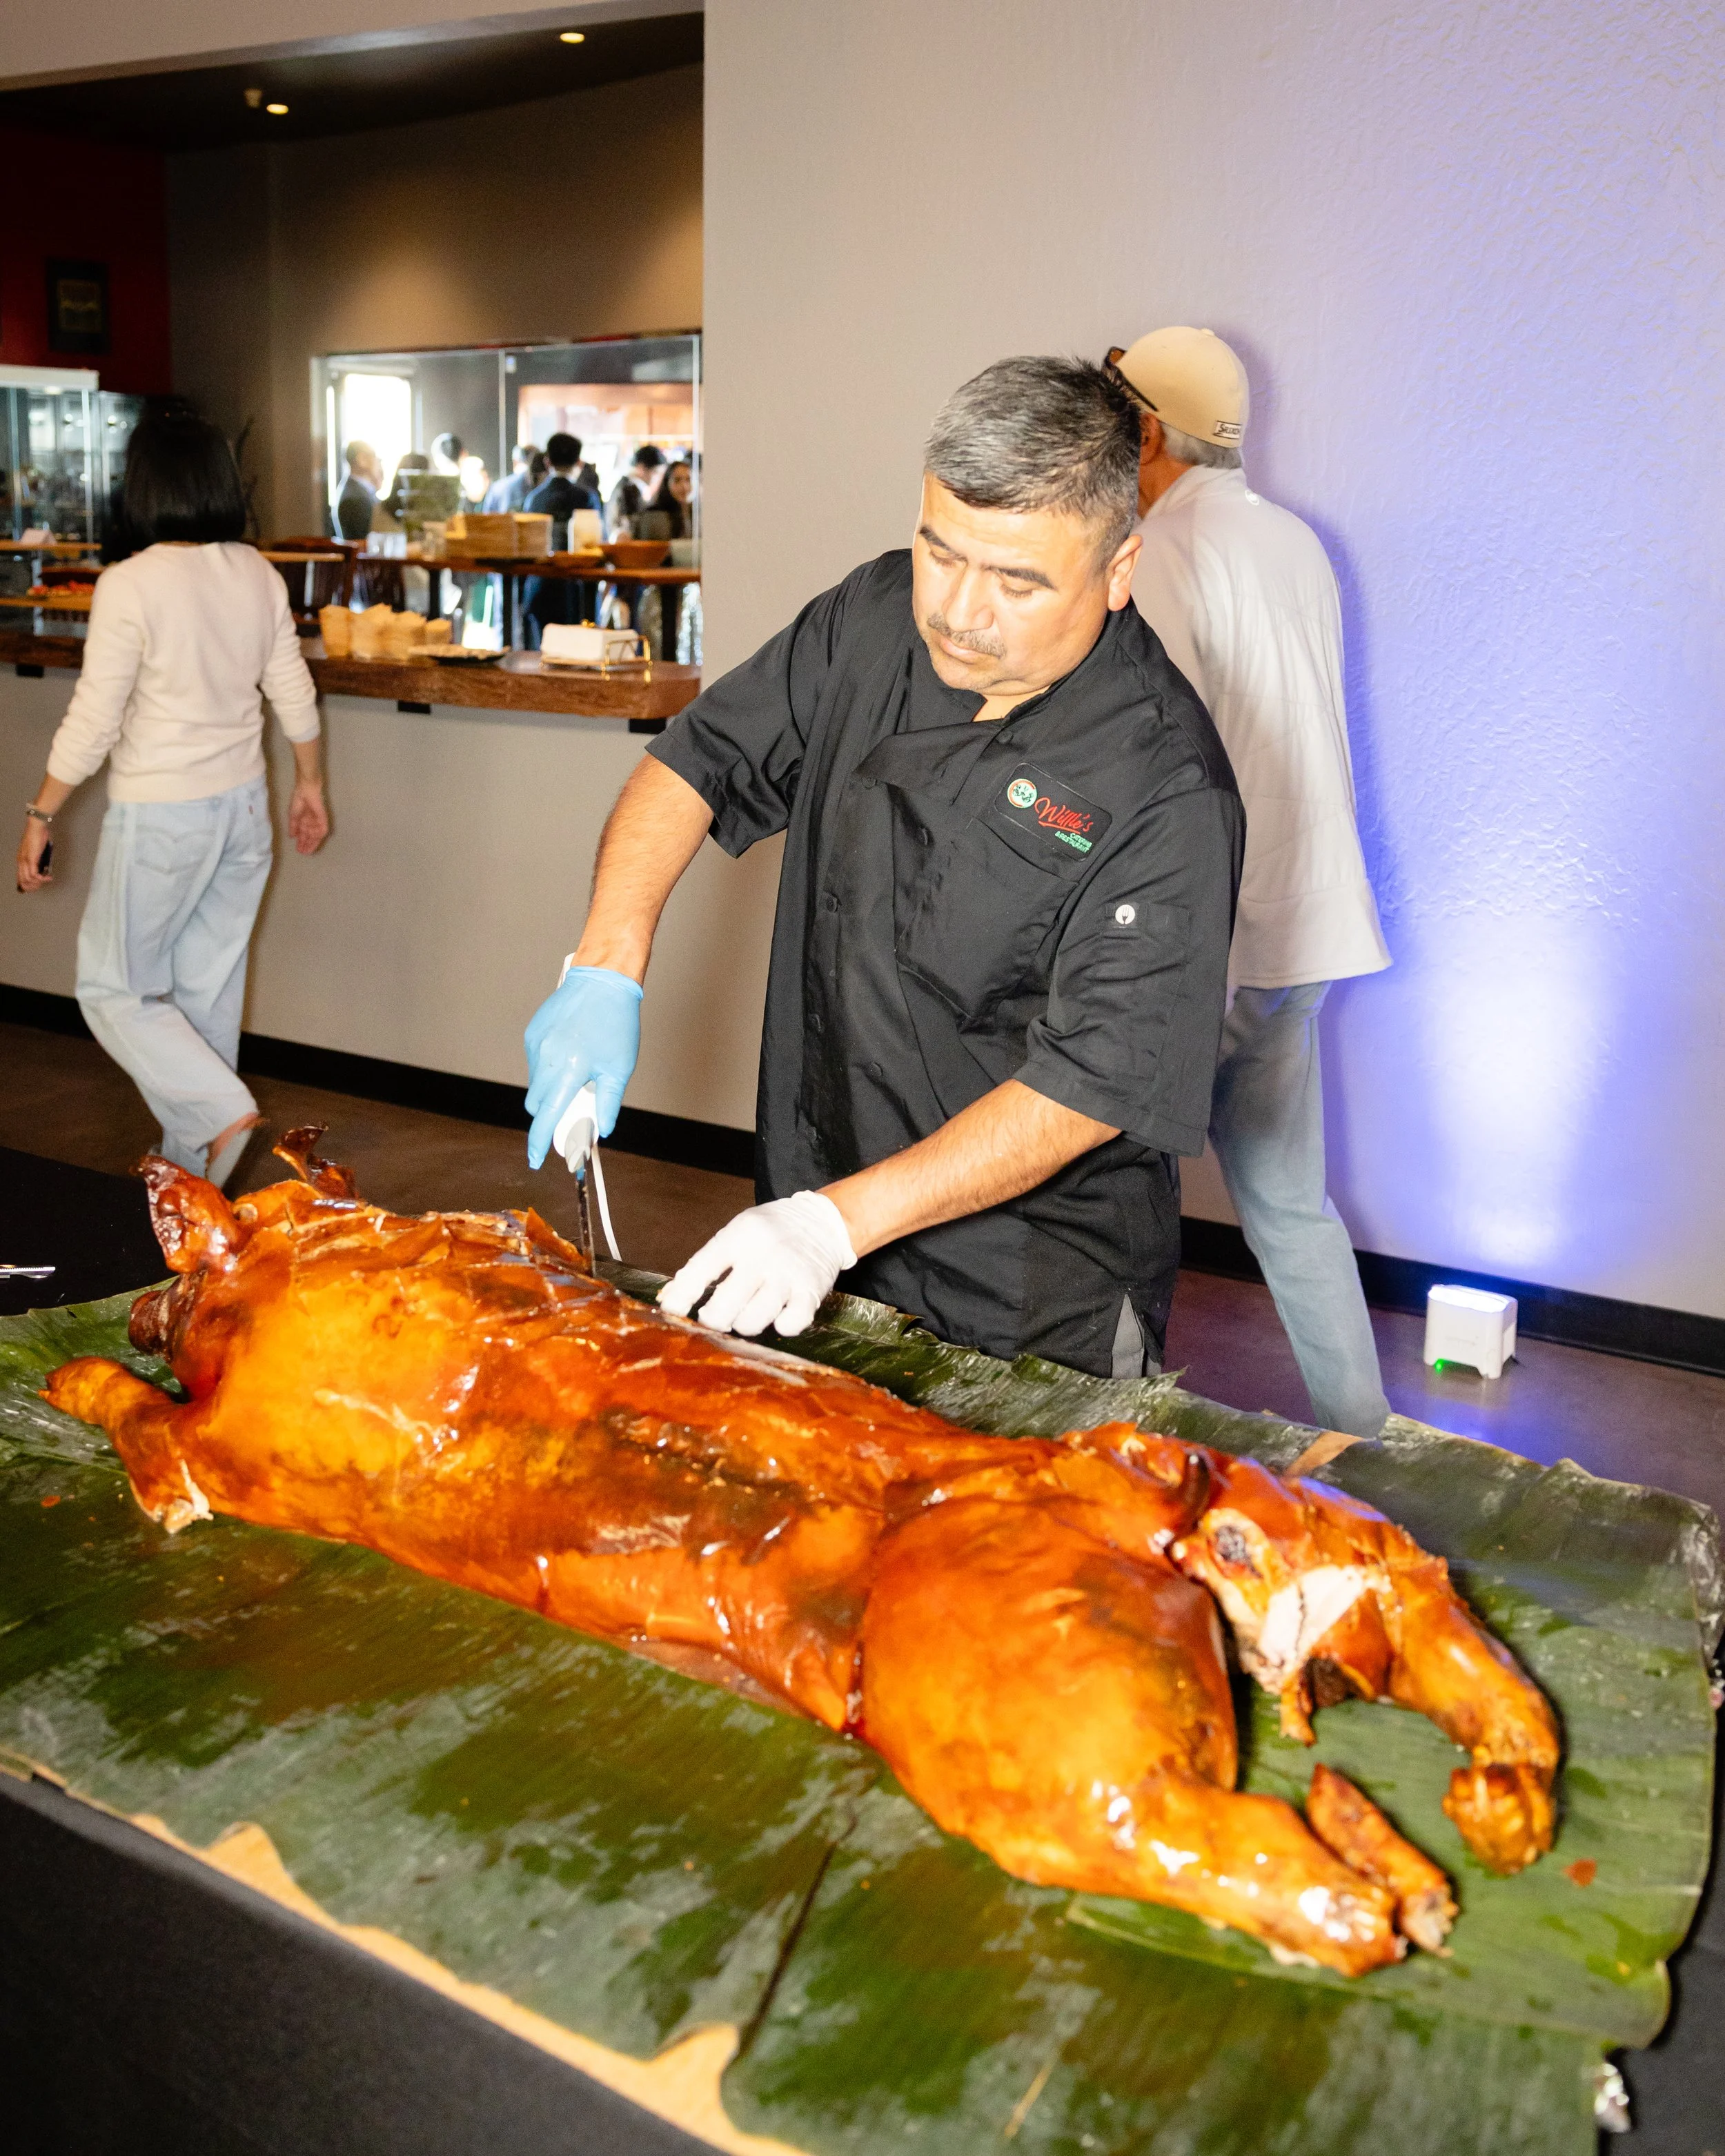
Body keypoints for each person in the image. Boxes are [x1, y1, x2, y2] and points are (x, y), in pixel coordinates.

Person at [523, 357, 1243, 1376]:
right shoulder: (870, 618)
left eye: (1019, 581)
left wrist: (832, 1224)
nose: (959, 610)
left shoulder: (1166, 784)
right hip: (816, 1220)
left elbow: (1091, 1083)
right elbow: (700, 760)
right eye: (940, 553)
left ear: (1119, 570)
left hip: (1029, 1294)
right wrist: (605, 960)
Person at [1110, 326, 1392, 1437]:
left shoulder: (1166, 554)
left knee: (1115, 1199)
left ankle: (1113, 1435)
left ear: (1142, 429)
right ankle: (1372, 1441)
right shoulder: (1298, 543)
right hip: (1309, 927)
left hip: (1211, 941)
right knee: (1289, 1204)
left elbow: (1155, 756)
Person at [13, 410, 331, 1189]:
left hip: (162, 815)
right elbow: (293, 691)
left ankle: (221, 1111)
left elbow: (95, 718)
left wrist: (41, 813)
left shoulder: (131, 582)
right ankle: (193, 1199)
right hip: (242, 812)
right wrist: (311, 784)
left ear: (143, 488)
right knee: (205, 998)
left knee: (111, 986)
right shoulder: (255, 571)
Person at [522, 433, 602, 646]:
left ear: (548, 461)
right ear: (579, 462)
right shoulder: (587, 498)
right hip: (576, 591)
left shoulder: (534, 499)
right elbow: (596, 543)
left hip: (539, 586)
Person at [607, 444, 664, 533]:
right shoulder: (629, 490)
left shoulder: (628, 486)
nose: (658, 478)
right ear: (641, 468)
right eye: (656, 472)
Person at [335, 440, 382, 541]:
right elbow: (365, 541)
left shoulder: (357, 491)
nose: (378, 464)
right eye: (376, 458)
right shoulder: (356, 498)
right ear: (362, 460)